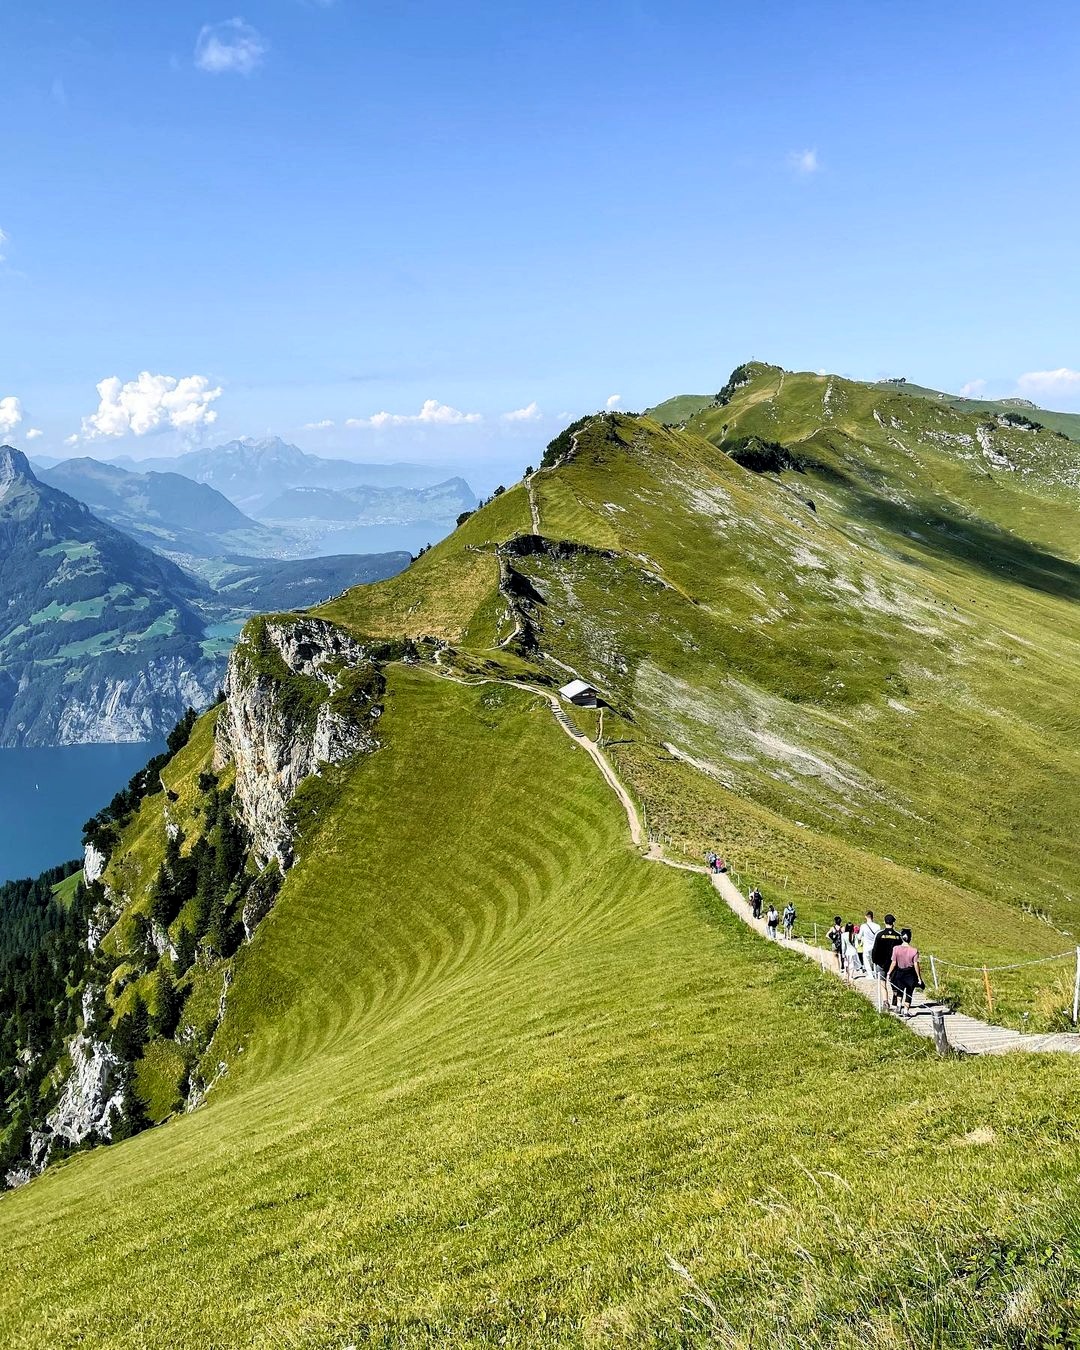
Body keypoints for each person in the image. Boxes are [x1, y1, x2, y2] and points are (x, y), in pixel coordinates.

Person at [887, 928, 924, 1017]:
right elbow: (916, 964)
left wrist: (889, 972)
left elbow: (894, 962)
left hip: (899, 971)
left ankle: (899, 1005)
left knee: (899, 989)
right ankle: (906, 1010)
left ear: (902, 938)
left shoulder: (896, 949)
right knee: (909, 992)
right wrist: (919, 977)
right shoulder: (914, 951)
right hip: (910, 973)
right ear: (910, 938)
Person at [871, 916, 904, 1006]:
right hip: (894, 963)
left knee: (882, 983)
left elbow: (875, 949)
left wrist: (874, 960)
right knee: (894, 982)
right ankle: (895, 995)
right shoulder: (898, 936)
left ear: (884, 922)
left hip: (881, 963)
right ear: (893, 923)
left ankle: (885, 1002)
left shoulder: (879, 934)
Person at [860, 910, 881, 979]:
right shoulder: (878, 926)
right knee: (874, 961)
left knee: (866, 960)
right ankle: (875, 974)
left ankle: (870, 974)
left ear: (866, 916)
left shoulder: (863, 926)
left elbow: (859, 936)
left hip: (866, 946)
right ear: (872, 917)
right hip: (875, 946)